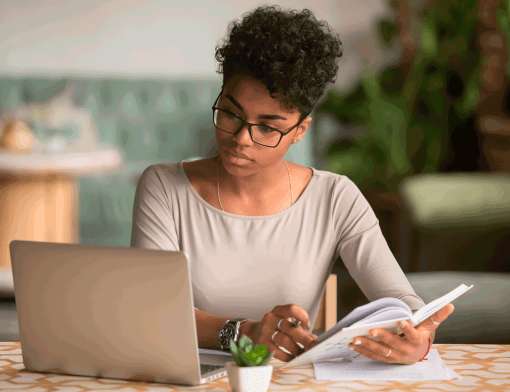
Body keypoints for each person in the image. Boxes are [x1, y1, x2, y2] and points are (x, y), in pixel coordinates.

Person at [131, 5, 454, 364]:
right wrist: (243, 332)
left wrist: (418, 337)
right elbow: (151, 311)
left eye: (267, 127)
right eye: (230, 113)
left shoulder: (335, 197)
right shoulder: (163, 187)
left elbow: (401, 299)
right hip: (186, 378)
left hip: (289, 381)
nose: (241, 138)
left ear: (300, 130)